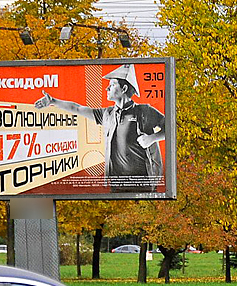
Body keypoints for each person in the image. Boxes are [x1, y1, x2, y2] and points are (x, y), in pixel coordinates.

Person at [35, 64, 166, 192]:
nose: (107, 88)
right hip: (117, 185)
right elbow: (77, 108)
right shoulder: (107, 114)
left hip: (143, 184)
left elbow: (170, 127)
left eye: (112, 84)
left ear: (124, 88)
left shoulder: (144, 111)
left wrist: (152, 138)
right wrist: (53, 101)